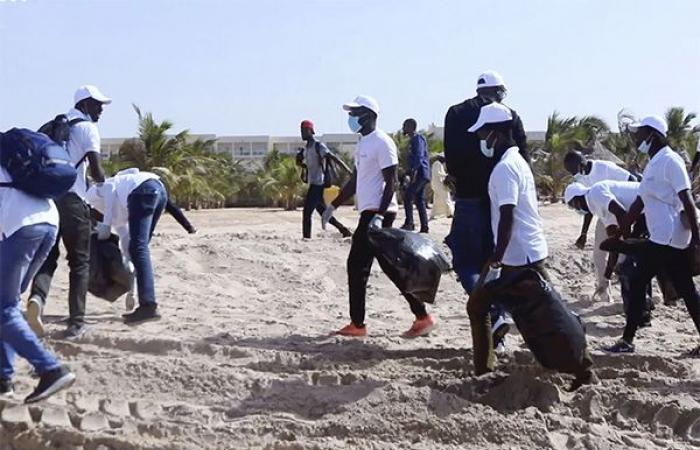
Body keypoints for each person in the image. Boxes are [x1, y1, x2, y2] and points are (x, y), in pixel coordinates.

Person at [321, 95, 434, 338]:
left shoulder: (383, 142)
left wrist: (379, 216)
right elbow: (355, 181)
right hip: (371, 211)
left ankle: (358, 325)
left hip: (377, 213)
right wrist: (335, 205)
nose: (351, 118)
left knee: (356, 265)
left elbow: (391, 180)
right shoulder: (363, 143)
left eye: (355, 113)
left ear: (369, 115)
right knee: (391, 268)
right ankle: (422, 317)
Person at [443, 70, 528, 348]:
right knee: (495, 261)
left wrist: (457, 180)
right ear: (500, 91)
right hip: (503, 200)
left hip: (469, 198)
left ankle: (494, 315)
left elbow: (452, 159)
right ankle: (501, 321)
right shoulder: (510, 116)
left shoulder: (456, 113)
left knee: (466, 261)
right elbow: (522, 157)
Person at [464, 102, 549, 375]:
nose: (479, 139)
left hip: (517, 256)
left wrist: (496, 259)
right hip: (525, 252)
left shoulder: (505, 168)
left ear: (494, 134)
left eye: (481, 133)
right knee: (540, 314)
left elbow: (508, 215)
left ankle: (484, 369)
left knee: (544, 317)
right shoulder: (516, 162)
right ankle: (484, 367)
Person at [604, 116, 700, 355]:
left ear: (653, 136)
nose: (636, 140)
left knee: (635, 279)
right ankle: (628, 339)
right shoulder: (654, 162)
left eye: (639, 135)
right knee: (686, 289)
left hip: (667, 237)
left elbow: (686, 199)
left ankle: (627, 340)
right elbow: (639, 202)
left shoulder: (670, 161)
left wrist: (697, 239)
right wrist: (622, 231)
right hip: (663, 237)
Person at [26, 85, 109, 339]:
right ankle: (76, 323)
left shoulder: (57, 127)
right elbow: (96, 170)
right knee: (79, 261)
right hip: (73, 201)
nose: (101, 110)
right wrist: (104, 185)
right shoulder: (87, 128)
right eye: (97, 105)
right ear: (84, 104)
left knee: (48, 257)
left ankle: (37, 299)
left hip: (48, 202)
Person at [0, 164, 76, 402]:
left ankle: (51, 369)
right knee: (8, 304)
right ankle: (3, 381)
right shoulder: (10, 160)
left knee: (3, 308)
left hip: (21, 227)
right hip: (48, 223)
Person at [86, 168, 193, 324]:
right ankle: (143, 299)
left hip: (142, 192)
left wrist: (106, 223)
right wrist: (130, 286)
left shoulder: (91, 196)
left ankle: (148, 305)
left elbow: (108, 189)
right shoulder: (118, 214)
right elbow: (125, 238)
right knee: (138, 250)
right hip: (158, 190)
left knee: (139, 249)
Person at [564, 180, 653, 324]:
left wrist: (628, 245)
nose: (575, 210)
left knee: (629, 267)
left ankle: (639, 314)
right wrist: (606, 277)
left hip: (649, 207)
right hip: (643, 213)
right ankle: (641, 313)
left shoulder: (595, 192)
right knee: (631, 265)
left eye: (572, 206)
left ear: (577, 199)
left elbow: (621, 212)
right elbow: (614, 245)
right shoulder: (600, 210)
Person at [563, 151, 635, 302]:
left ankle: (637, 296)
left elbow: (632, 180)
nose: (573, 175)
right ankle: (604, 290)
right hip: (606, 214)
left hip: (628, 212)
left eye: (573, 171)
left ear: (580, 164)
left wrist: (627, 234)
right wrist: (583, 233)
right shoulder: (582, 182)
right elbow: (589, 206)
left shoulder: (605, 168)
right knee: (600, 252)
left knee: (625, 256)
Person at [297, 120, 352, 239]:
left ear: (311, 131)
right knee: (323, 212)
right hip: (313, 182)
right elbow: (306, 165)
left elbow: (333, 157)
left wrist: (348, 171)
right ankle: (344, 230)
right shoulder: (306, 148)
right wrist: (300, 162)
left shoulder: (318, 145)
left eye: (304, 130)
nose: (302, 133)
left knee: (306, 213)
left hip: (318, 184)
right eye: (301, 130)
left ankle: (306, 238)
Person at [400, 119, 431, 233]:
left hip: (420, 172)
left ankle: (409, 223)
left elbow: (419, 156)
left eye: (405, 126)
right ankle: (424, 226)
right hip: (423, 173)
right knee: (419, 200)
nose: (403, 128)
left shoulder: (417, 139)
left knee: (408, 197)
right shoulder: (416, 139)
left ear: (411, 126)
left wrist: (413, 172)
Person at [430, 154, 454, 219]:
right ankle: (449, 213)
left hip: (438, 184)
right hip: (438, 185)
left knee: (437, 200)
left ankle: (434, 214)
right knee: (446, 197)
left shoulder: (438, 164)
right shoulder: (437, 164)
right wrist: (446, 175)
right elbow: (438, 173)